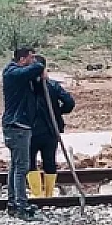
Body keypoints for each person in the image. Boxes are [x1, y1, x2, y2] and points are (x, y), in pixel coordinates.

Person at [1, 47, 45, 220]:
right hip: (17, 126)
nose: (33, 61)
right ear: (22, 59)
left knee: (15, 165)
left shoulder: (17, 73)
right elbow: (37, 67)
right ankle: (21, 206)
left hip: (17, 125)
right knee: (21, 167)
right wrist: (40, 65)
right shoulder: (12, 73)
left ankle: (13, 202)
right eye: (31, 58)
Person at [27, 55, 75, 198]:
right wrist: (57, 112)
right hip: (50, 130)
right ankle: (48, 195)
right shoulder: (53, 85)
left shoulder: (27, 87)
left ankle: (37, 194)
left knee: (30, 162)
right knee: (49, 161)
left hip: (31, 131)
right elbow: (69, 103)